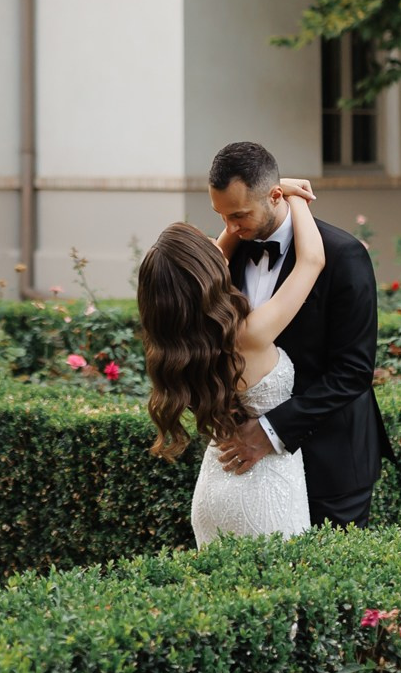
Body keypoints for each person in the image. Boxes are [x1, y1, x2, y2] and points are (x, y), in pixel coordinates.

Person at [204, 139, 389, 529]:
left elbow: (353, 371)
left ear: (275, 196)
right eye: (222, 217)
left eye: (239, 215)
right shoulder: (229, 253)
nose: (230, 228)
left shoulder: (343, 255)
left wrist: (270, 431)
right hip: (250, 467)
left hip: (332, 463)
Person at [137, 177, 326, 545]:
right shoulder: (250, 335)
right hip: (264, 495)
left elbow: (211, 263)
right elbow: (312, 260)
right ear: (204, 272)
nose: (219, 240)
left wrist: (267, 192)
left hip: (214, 489)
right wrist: (290, 197)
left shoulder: (180, 345)